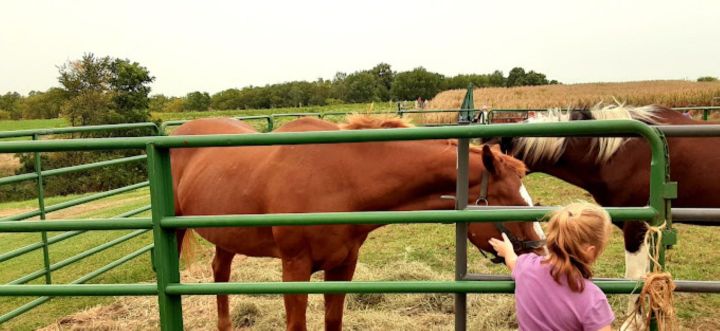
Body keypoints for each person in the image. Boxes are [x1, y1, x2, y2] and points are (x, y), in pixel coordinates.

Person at [489, 202, 615, 331]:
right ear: (591, 251)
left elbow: (512, 261)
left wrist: (506, 250)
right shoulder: (593, 299)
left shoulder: (526, 267)